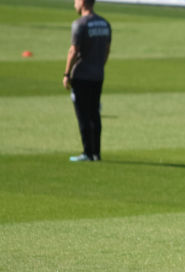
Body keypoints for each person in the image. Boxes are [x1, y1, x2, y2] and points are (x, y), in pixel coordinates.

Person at [63, 0, 111, 162]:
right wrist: (99, 66)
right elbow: (107, 49)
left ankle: (87, 152)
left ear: (82, 2)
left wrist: (66, 73)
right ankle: (96, 152)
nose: (74, 4)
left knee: (83, 115)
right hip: (98, 74)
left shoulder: (80, 24)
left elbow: (73, 51)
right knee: (94, 114)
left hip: (82, 75)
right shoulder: (104, 23)